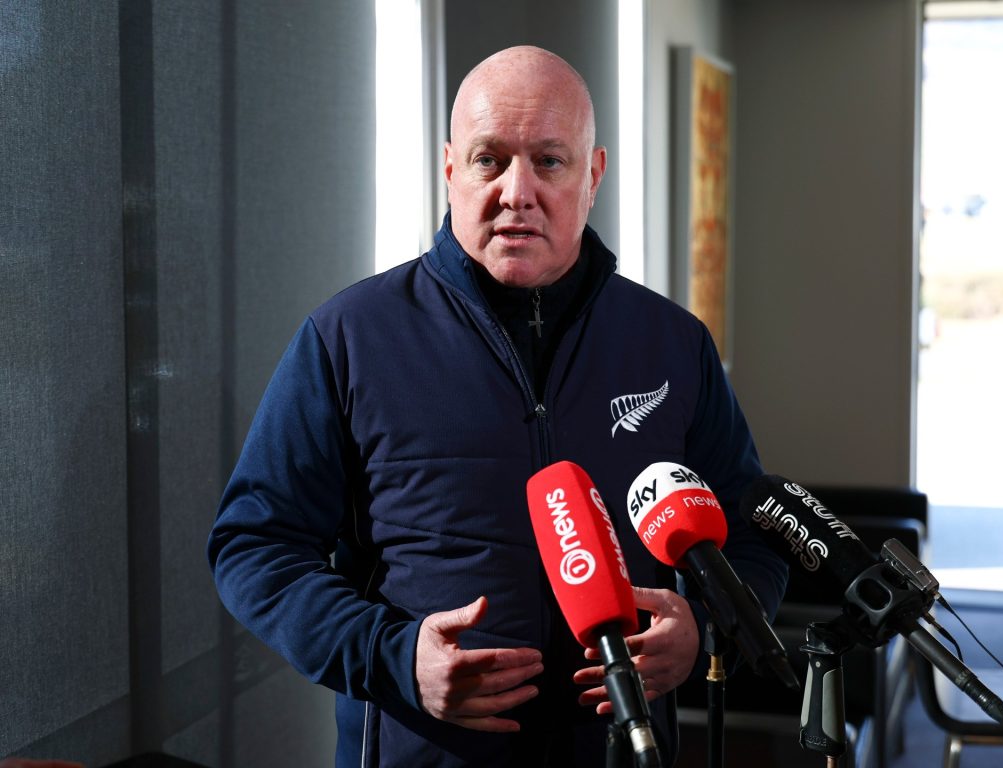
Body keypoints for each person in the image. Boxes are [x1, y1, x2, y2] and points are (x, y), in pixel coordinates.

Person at [208, 45, 787, 767]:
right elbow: (254, 546)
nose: (518, 191)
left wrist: (703, 629)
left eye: (549, 161)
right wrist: (391, 655)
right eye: (490, 160)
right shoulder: (350, 338)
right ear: (450, 168)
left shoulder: (671, 344)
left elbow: (757, 532)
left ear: (593, 175)